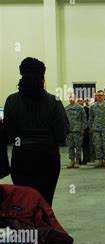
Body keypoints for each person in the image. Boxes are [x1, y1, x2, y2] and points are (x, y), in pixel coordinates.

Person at [4, 57, 68, 206]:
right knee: (45, 202)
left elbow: (8, 134)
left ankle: (27, 228)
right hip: (48, 157)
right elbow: (61, 133)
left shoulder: (11, 101)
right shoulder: (54, 101)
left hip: (21, 157)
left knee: (25, 202)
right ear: (43, 76)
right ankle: (43, 227)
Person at [64, 94, 87, 168]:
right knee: (70, 147)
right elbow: (64, 120)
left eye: (72, 97)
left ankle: (77, 161)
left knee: (78, 146)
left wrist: (83, 129)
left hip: (77, 130)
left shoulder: (80, 108)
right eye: (70, 97)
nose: (71, 99)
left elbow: (84, 119)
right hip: (69, 130)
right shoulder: (66, 108)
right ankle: (72, 161)